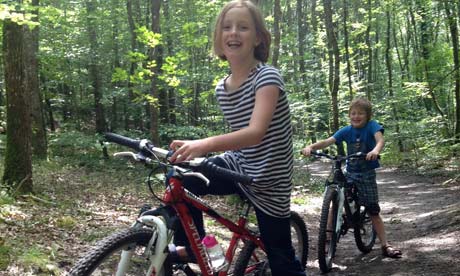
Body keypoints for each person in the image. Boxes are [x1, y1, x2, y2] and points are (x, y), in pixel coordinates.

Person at [168, 1, 306, 275]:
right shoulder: (223, 87)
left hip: (269, 177)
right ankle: (193, 247)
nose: (234, 33)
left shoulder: (267, 77)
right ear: (219, 38)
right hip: (240, 164)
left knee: (280, 258)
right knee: (179, 176)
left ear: (257, 38)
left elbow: (255, 133)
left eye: (243, 27)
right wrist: (195, 151)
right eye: (227, 27)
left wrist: (203, 145)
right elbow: (239, 138)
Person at [301, 97, 402, 258]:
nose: (356, 116)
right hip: (351, 170)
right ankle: (326, 239)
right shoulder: (346, 130)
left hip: (366, 174)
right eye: (353, 113)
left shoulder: (372, 126)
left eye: (360, 113)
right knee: (334, 204)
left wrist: (375, 151)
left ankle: (385, 245)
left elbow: (380, 140)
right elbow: (328, 141)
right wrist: (311, 147)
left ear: (367, 115)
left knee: (373, 210)